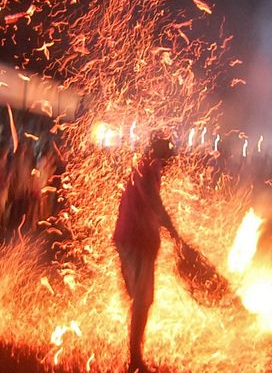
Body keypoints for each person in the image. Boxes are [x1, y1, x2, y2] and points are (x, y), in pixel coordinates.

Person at [113, 137, 179, 373]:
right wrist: (172, 230)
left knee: (139, 298)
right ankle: (135, 360)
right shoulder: (149, 167)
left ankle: (135, 351)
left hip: (130, 238)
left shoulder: (141, 166)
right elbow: (152, 198)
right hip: (136, 240)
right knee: (143, 300)